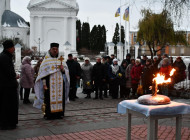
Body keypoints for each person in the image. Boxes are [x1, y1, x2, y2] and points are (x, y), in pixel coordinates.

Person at [33, 43, 70, 120]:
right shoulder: (46, 61)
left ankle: (60, 114)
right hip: (49, 84)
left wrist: (63, 69)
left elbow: (66, 72)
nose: (55, 50)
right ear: (50, 50)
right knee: (48, 99)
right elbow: (42, 74)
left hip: (60, 84)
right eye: (53, 49)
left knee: (60, 98)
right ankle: (49, 114)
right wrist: (44, 84)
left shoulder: (61, 60)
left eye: (56, 49)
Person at [0, 40, 19, 130]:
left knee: (6, 105)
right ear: (9, 48)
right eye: (13, 47)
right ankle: (8, 123)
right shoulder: (5, 57)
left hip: (6, 86)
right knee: (8, 106)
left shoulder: (4, 56)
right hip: (7, 87)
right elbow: (9, 72)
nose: (14, 49)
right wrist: (15, 76)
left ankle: (7, 122)